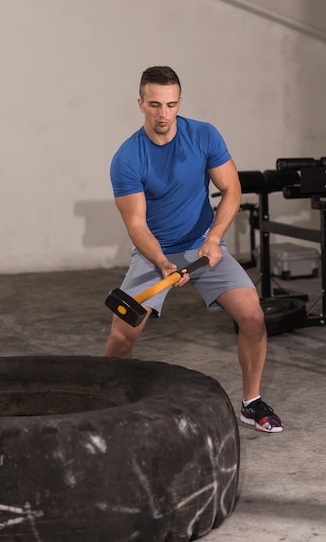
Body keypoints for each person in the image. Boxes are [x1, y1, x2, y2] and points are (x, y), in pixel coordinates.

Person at [104, 65, 283, 433]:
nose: (163, 114)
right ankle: (108, 409)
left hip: (204, 247)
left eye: (170, 105)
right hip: (155, 252)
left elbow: (232, 190)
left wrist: (214, 238)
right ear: (140, 104)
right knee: (122, 338)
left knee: (252, 317)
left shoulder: (203, 135)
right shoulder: (127, 158)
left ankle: (251, 403)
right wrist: (162, 263)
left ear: (179, 102)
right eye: (154, 105)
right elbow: (137, 225)